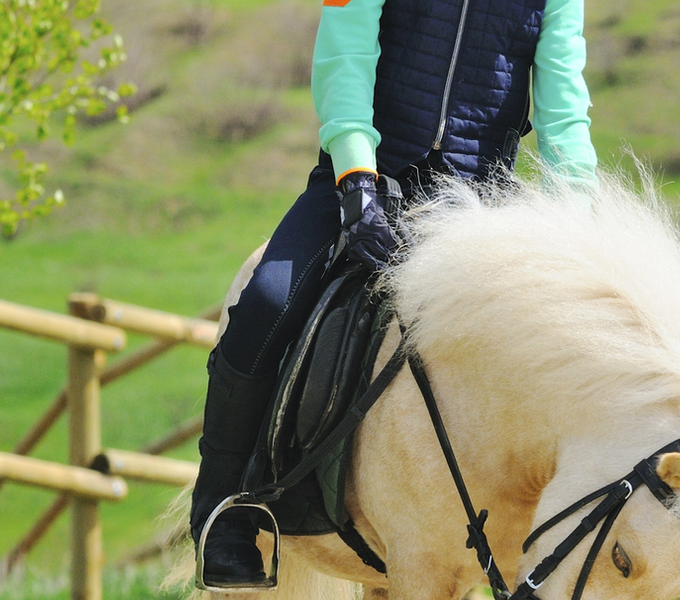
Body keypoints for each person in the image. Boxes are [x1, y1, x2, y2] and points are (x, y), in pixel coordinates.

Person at [189, 0, 597, 587]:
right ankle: (224, 514)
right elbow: (345, 57)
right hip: (362, 185)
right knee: (266, 306)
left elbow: (564, 111)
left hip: (477, 212)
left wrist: (577, 219)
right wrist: (357, 179)